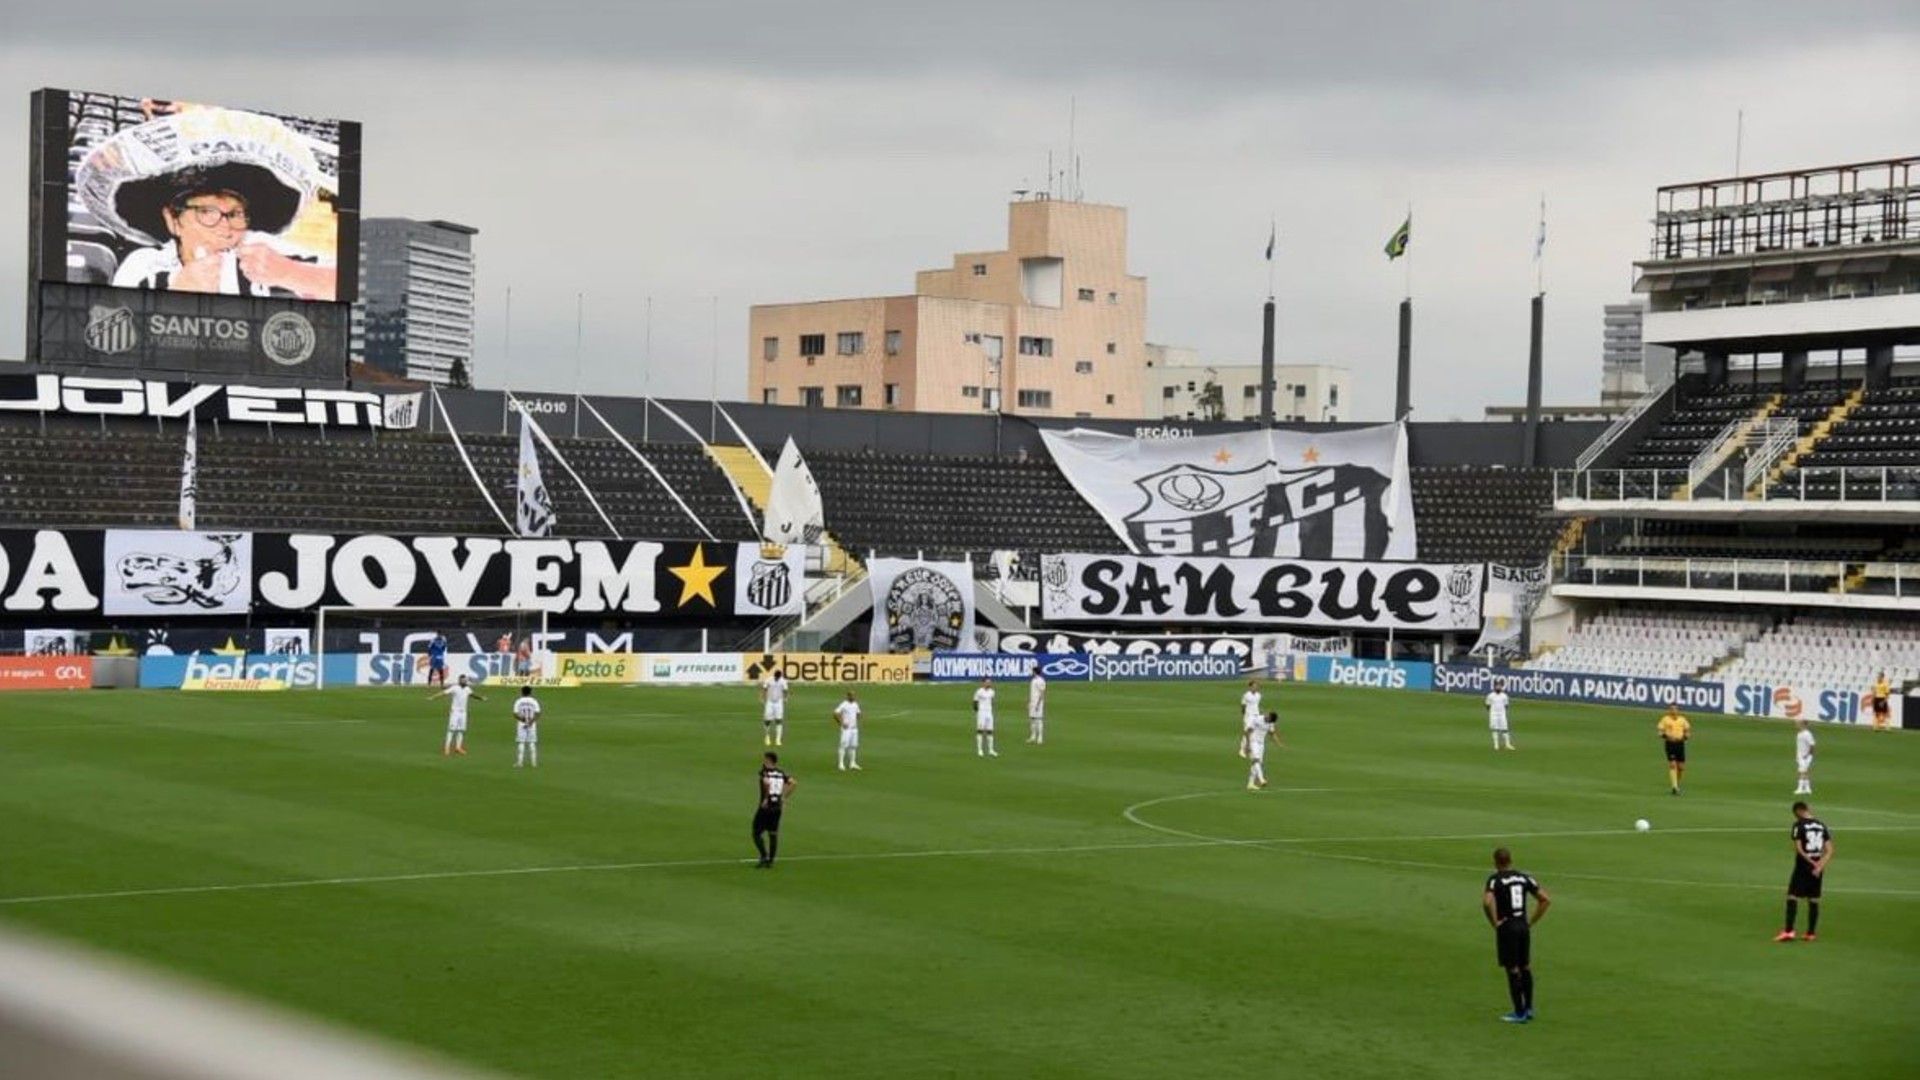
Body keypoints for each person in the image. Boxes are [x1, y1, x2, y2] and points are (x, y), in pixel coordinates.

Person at [1483, 847, 1550, 1023]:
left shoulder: (1494, 879)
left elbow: (1486, 902)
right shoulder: (1524, 877)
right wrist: (1531, 922)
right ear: (1511, 860)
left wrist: (1494, 922)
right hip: (1522, 925)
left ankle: (1518, 1013)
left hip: (1507, 927)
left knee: (1512, 969)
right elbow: (1545, 899)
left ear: (1496, 862)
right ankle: (1529, 1008)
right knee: (1525, 966)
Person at [1777, 801, 1832, 942]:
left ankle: (1789, 931)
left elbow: (1799, 848)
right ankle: (1811, 933)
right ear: (1808, 809)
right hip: (1818, 867)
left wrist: (1811, 862)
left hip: (1803, 866)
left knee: (1792, 896)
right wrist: (1819, 865)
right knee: (1813, 898)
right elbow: (1830, 850)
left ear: (1799, 811)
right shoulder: (1821, 825)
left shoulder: (1799, 825)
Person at [753, 752, 796, 868]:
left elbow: (766, 783)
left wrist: (766, 798)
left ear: (768, 760)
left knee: (756, 832)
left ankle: (764, 856)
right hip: (777, 807)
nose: (763, 761)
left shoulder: (764, 772)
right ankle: (770, 861)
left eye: (765, 759)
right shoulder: (781, 773)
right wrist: (783, 797)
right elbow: (793, 783)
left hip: (766, 807)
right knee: (773, 833)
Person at [431, 674, 484, 756]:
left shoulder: (467, 689)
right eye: (463, 680)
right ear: (459, 680)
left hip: (463, 712)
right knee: (451, 730)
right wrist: (433, 697)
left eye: (465, 680)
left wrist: (481, 698)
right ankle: (447, 748)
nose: (464, 681)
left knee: (461, 730)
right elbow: (444, 693)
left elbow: (472, 695)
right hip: (455, 712)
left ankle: (458, 747)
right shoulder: (455, 688)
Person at [1657, 704, 1691, 795]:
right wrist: (1667, 737)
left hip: (1680, 744)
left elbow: (1688, 732)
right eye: (1671, 709)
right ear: (1669, 710)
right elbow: (1660, 732)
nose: (1673, 711)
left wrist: (1684, 738)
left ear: (1678, 710)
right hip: (1670, 744)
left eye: (1675, 709)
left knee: (1681, 767)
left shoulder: (1682, 720)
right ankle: (1674, 787)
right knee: (1672, 764)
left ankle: (1676, 785)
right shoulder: (1665, 719)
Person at [1245, 710, 1281, 791]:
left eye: (1269, 718)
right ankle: (1262, 779)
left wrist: (1278, 743)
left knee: (1257, 763)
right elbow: (1248, 731)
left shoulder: (1270, 723)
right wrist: (1247, 745)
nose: (1267, 717)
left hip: (1261, 744)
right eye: (1268, 716)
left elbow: (1272, 733)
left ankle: (1250, 784)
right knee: (1256, 760)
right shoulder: (1257, 719)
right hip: (1253, 741)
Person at [833, 691, 862, 771]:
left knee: (853, 746)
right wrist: (841, 723)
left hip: (854, 729)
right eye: (852, 695)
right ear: (848, 696)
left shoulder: (855, 704)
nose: (854, 697)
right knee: (843, 745)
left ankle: (852, 763)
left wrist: (857, 718)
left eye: (854, 695)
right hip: (846, 729)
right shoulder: (844, 704)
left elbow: (858, 713)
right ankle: (841, 763)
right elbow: (835, 713)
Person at [513, 686, 541, 769]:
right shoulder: (534, 701)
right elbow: (537, 713)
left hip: (521, 724)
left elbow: (515, 714)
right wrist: (531, 722)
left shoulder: (518, 701)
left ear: (522, 692)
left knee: (521, 742)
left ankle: (520, 762)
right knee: (532, 742)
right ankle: (534, 763)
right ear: (530, 692)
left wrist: (523, 720)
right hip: (532, 724)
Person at [761, 669, 789, 747]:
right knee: (767, 720)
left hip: (779, 702)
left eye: (778, 677)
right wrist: (763, 698)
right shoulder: (769, 680)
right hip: (769, 702)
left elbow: (786, 690)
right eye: (776, 677)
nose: (777, 678)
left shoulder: (783, 681)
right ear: (774, 675)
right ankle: (767, 737)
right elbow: (764, 688)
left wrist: (786, 698)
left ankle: (778, 739)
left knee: (779, 720)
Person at [973, 678, 998, 757]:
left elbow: (992, 701)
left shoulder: (992, 692)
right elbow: (975, 702)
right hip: (981, 713)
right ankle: (980, 750)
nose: (989, 684)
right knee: (980, 731)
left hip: (989, 713)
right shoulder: (979, 691)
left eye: (990, 682)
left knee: (990, 731)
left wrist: (991, 710)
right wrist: (977, 712)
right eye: (987, 682)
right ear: (983, 683)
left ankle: (991, 750)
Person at [1237, 680, 1263, 758]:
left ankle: (1250, 749)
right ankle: (1242, 750)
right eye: (1254, 686)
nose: (1255, 687)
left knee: (1253, 733)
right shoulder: (1246, 695)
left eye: (1256, 686)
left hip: (1256, 716)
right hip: (1248, 716)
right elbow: (1243, 706)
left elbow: (1256, 705)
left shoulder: (1259, 695)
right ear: (1250, 687)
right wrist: (1245, 715)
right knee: (1246, 733)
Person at [1486, 686, 1514, 751]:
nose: (1498, 689)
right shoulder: (1490, 696)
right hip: (1493, 714)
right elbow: (1487, 705)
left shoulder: (1504, 696)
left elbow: (1506, 705)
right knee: (1495, 729)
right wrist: (1492, 711)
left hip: (1502, 714)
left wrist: (1502, 712)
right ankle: (1496, 745)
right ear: (1494, 688)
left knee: (1505, 729)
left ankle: (1507, 744)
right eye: (1497, 687)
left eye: (1499, 687)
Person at [1793, 719, 1816, 796]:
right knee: (1805, 771)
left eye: (1798, 723)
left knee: (1802, 772)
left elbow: (1812, 745)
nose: (1797, 725)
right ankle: (1807, 788)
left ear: (1803, 725)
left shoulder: (1807, 734)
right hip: (1800, 755)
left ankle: (1800, 789)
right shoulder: (1799, 733)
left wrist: (1808, 755)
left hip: (1805, 756)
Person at [1027, 669, 1048, 745]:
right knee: (1032, 719)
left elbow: (1042, 692)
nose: (1032, 673)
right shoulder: (1033, 680)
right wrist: (1030, 702)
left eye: (1032, 671)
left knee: (1039, 719)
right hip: (1033, 702)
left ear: (1035, 672)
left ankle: (1040, 737)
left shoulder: (1041, 681)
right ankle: (1033, 736)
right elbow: (1032, 692)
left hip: (1038, 703)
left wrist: (1038, 704)